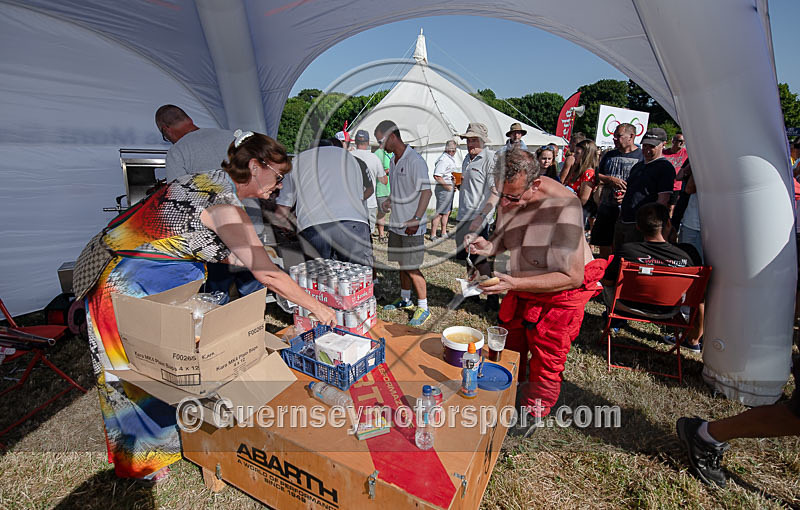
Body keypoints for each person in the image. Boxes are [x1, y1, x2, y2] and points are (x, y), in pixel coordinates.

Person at [71, 130, 336, 481]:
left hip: (156, 277)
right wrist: (317, 307)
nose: (280, 184)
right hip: (125, 282)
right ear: (256, 167)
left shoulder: (209, 182)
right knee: (132, 368)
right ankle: (142, 464)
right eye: (279, 175)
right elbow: (266, 274)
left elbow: (189, 236)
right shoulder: (223, 203)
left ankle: (173, 437)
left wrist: (254, 258)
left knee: (163, 360)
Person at [466, 148, 607, 434]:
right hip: (524, 284)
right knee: (512, 344)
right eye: (500, 195)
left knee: (547, 356)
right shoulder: (510, 192)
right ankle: (511, 393)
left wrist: (514, 283)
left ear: (536, 184)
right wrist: (489, 246)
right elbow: (507, 235)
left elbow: (571, 275)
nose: (504, 202)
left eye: (513, 197)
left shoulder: (563, 206)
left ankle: (533, 411)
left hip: (561, 293)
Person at [155, 104, 264, 302]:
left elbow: (179, 200)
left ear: (166, 129)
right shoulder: (232, 137)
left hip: (216, 234)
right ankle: (254, 327)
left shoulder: (178, 152)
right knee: (253, 290)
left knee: (215, 296)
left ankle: (221, 329)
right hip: (250, 225)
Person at [275, 138, 374, 267]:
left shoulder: (297, 161)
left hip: (314, 226)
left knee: (318, 281)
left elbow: (282, 210)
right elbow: (360, 196)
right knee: (357, 279)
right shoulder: (350, 158)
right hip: (354, 223)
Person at [374, 120, 433, 327]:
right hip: (397, 224)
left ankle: (424, 307)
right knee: (402, 264)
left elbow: (427, 192)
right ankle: (405, 298)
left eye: (381, 141)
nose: (380, 146)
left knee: (412, 266)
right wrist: (390, 199)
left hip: (412, 225)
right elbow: (399, 188)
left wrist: (416, 219)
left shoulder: (414, 160)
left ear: (392, 136)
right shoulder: (392, 160)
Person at [457, 122, 500, 310]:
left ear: (483, 141)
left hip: (478, 218)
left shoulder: (490, 159)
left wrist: (481, 217)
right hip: (463, 215)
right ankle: (473, 292)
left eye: (474, 140)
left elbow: (495, 191)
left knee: (479, 259)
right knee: (468, 258)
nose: (470, 143)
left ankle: (492, 297)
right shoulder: (467, 158)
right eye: (468, 140)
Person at [613, 128, 675, 248]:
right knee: (618, 254)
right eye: (645, 145)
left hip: (641, 224)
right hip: (624, 219)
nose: (646, 149)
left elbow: (663, 199)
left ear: (663, 145)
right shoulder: (638, 166)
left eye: (651, 146)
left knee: (632, 259)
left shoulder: (665, 167)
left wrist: (650, 225)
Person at [591, 123, 644, 258]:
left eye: (618, 136)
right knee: (603, 242)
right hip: (607, 207)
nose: (614, 139)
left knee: (623, 246)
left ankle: (617, 272)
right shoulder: (609, 155)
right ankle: (605, 272)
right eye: (614, 136)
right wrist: (610, 179)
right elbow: (596, 176)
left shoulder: (641, 157)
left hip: (629, 211)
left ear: (631, 136)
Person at [351, 130, 387, 234]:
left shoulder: (348, 155)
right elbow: (384, 181)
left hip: (352, 202)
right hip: (370, 202)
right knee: (367, 234)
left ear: (356, 142)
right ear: (367, 143)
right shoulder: (374, 158)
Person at [564, 139, 598, 220]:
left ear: (586, 155)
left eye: (577, 153)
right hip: (568, 208)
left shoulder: (588, 173)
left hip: (577, 211)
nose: (574, 155)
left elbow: (583, 200)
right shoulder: (576, 169)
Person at [431, 140, 458, 239]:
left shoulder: (449, 158)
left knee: (447, 212)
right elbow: (437, 176)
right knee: (440, 212)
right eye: (451, 149)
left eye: (454, 150)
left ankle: (443, 232)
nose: (452, 152)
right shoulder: (443, 159)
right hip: (443, 189)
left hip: (448, 188)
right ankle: (433, 234)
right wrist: (448, 187)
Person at [662, 133, 688, 216]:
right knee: (662, 205)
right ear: (673, 141)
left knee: (671, 208)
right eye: (680, 141)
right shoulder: (664, 153)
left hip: (677, 186)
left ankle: (669, 225)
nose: (682, 143)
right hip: (664, 184)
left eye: (684, 141)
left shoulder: (686, 153)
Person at [374, 142, 392, 243]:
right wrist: (386, 171)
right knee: (382, 213)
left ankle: (390, 232)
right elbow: (374, 171)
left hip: (393, 188)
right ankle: (381, 235)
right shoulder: (378, 153)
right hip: (382, 189)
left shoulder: (391, 153)